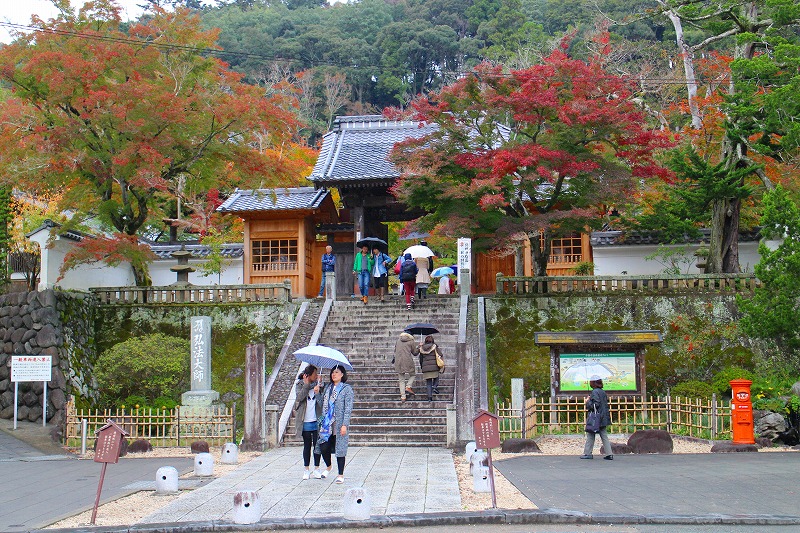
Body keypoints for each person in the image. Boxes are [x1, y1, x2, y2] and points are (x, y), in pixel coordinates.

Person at [314, 365, 354, 484]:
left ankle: (340, 474)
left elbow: (348, 408)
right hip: (326, 423)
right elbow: (322, 404)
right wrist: (317, 393)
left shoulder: (346, 389)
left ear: (342, 374)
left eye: (336, 372)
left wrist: (344, 425)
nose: (334, 374)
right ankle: (329, 466)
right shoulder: (327, 388)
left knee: (340, 448)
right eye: (332, 372)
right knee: (323, 446)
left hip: (339, 422)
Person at [293, 364, 322, 479]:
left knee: (317, 445)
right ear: (308, 375)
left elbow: (322, 402)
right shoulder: (300, 384)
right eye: (315, 374)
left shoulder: (319, 385)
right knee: (307, 445)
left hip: (316, 419)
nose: (316, 375)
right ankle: (306, 469)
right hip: (304, 420)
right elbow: (299, 398)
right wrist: (306, 385)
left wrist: (319, 390)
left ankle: (317, 468)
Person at [581, 375, 613, 460]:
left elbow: (596, 404)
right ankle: (609, 453)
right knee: (604, 435)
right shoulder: (602, 392)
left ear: (593, 383)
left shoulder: (594, 392)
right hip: (603, 417)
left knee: (591, 434)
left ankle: (588, 453)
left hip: (596, 417)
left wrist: (588, 402)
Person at [393, 331, 419, 401]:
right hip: (408, 361)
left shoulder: (398, 340)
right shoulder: (411, 341)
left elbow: (395, 350)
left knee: (401, 379)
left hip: (398, 361)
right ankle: (408, 386)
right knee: (413, 374)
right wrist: (419, 347)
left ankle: (403, 396)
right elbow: (415, 353)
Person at [418, 335, 445, 401]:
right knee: (436, 377)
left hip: (426, 368)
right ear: (432, 340)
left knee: (428, 383)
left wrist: (422, 367)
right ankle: (435, 386)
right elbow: (440, 354)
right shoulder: (435, 347)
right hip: (434, 366)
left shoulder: (422, 348)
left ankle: (429, 398)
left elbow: (420, 359)